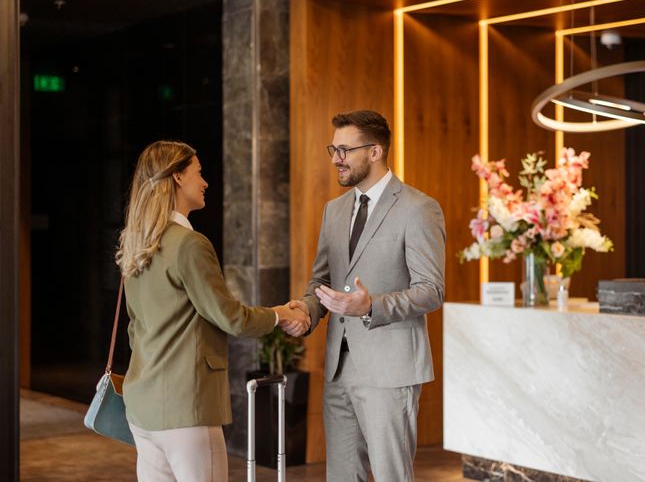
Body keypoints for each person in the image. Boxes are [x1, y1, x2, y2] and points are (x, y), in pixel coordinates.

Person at [116, 140, 309, 482]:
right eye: (198, 173)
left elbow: (135, 329)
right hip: (185, 407)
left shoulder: (137, 242)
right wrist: (281, 314)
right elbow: (229, 316)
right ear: (177, 177)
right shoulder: (189, 244)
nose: (204, 182)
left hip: (143, 407)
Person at [281, 110, 445, 481]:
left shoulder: (419, 208)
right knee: (340, 475)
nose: (336, 159)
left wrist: (371, 305)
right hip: (339, 369)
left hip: (391, 368)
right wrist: (306, 311)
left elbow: (431, 291)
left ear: (375, 151)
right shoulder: (334, 210)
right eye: (333, 149)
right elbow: (320, 280)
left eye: (344, 149)